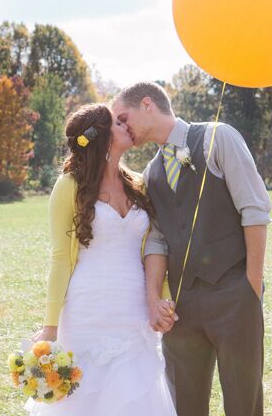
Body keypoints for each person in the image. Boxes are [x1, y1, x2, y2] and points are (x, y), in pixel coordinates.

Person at [112, 82, 272, 416]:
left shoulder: (219, 138)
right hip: (182, 309)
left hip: (234, 296)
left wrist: (251, 286)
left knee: (244, 403)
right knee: (183, 406)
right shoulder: (152, 173)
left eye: (123, 118)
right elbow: (157, 239)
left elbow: (255, 210)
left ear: (147, 104)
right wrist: (154, 299)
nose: (122, 128)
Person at [28, 103, 178, 416]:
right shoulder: (69, 187)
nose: (127, 125)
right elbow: (60, 258)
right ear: (103, 137)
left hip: (134, 311)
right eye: (118, 122)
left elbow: (155, 244)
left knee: (138, 396)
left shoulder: (138, 185)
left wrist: (160, 299)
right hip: (86, 311)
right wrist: (50, 328)